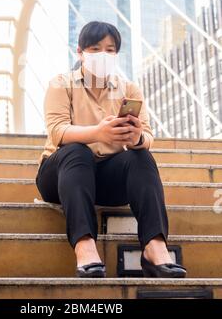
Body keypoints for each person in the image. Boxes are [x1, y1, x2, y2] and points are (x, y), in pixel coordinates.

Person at [36, 21, 186, 278]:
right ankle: (85, 246)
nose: (103, 55)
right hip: (61, 175)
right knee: (77, 150)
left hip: (105, 178)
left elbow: (148, 136)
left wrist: (136, 137)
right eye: (95, 49)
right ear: (80, 52)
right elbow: (58, 131)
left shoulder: (128, 89)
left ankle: (154, 247)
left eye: (110, 49)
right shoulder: (61, 84)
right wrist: (98, 132)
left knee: (141, 156)